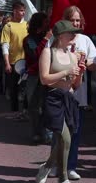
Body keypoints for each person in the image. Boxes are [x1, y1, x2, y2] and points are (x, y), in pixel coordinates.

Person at [49, 6, 96, 180]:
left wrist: (84, 62)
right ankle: (55, 165)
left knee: (75, 131)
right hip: (59, 91)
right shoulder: (58, 39)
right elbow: (48, 59)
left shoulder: (85, 40)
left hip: (78, 93)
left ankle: (70, 166)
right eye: (72, 20)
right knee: (59, 131)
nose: (76, 23)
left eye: (78, 20)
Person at [35, 20, 85, 183]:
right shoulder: (48, 52)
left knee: (63, 139)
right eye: (71, 32)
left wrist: (80, 73)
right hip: (53, 98)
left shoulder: (73, 55)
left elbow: (75, 85)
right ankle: (63, 177)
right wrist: (66, 71)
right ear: (61, 35)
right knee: (65, 138)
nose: (74, 35)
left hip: (68, 99)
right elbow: (44, 79)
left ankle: (47, 167)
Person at [23, 12, 52, 144]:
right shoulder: (28, 39)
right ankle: (36, 132)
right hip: (34, 76)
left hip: (49, 75)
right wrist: (45, 40)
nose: (48, 23)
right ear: (39, 23)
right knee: (34, 106)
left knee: (47, 105)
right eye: (46, 21)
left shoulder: (51, 38)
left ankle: (47, 132)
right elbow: (35, 55)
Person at [0, 2, 28, 112]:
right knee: (14, 88)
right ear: (15, 11)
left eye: (24, 10)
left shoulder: (27, 25)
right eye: (21, 10)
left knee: (26, 87)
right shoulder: (8, 26)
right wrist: (7, 63)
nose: (23, 12)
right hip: (13, 63)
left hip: (26, 62)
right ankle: (15, 111)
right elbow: (5, 45)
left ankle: (25, 109)